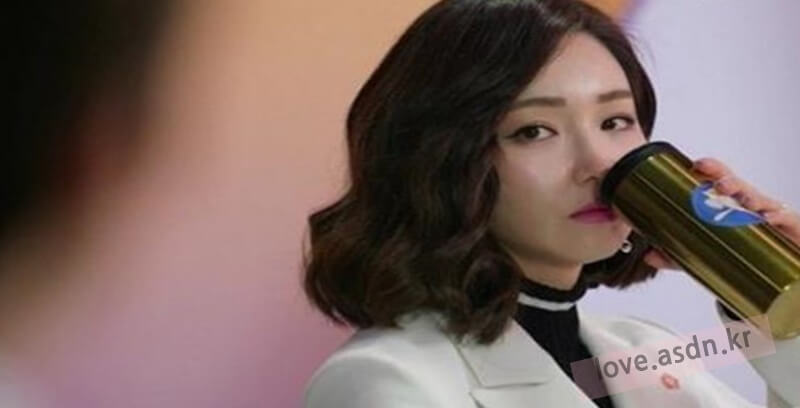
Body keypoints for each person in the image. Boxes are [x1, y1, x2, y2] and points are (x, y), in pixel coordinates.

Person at [301, 0, 800, 407]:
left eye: (614, 122)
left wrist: (775, 295)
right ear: (442, 160)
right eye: (534, 131)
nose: (598, 164)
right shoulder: (384, 380)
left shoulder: (646, 353)